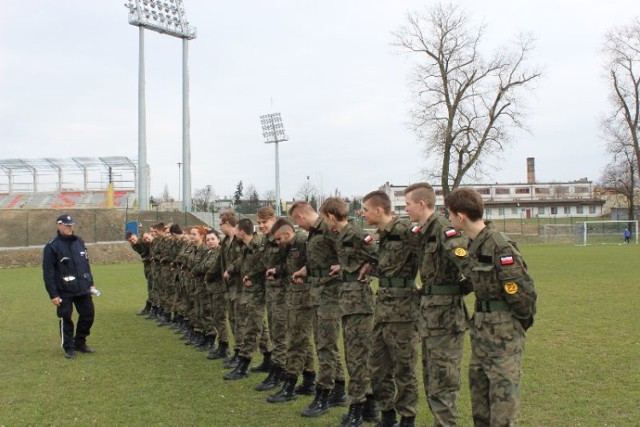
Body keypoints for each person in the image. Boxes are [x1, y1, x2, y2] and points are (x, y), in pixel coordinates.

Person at [445, 188, 537, 426]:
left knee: (503, 403)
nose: (449, 219)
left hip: (504, 335)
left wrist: (517, 324)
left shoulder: (499, 246)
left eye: (450, 214)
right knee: (480, 399)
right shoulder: (474, 244)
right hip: (482, 333)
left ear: (461, 215)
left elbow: (523, 293)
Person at [404, 183, 470, 426]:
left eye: (408, 204)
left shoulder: (444, 230)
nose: (406, 208)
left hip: (446, 320)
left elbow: (474, 270)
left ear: (422, 204)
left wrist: (452, 291)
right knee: (432, 382)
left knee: (443, 383)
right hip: (431, 319)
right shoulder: (424, 232)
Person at [363, 191, 420, 427]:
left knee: (404, 367)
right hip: (383, 309)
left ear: (378, 210)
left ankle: (407, 418)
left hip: (403, 312)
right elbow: (388, 270)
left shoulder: (406, 232)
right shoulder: (382, 236)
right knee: (377, 367)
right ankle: (387, 416)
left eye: (365, 209)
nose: (363, 213)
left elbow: (428, 258)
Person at [320, 197, 379, 427]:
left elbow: (378, 253)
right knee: (356, 356)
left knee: (357, 358)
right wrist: (343, 267)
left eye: (324, 218)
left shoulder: (354, 234)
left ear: (331, 217)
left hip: (359, 304)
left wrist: (368, 266)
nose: (324, 223)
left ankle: (357, 409)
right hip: (348, 301)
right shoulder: (343, 235)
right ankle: (370, 406)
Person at [290, 201, 347, 418]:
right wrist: (305, 270)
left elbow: (350, 253)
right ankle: (339, 388)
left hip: (331, 295)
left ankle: (323, 394)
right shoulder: (315, 233)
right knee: (325, 343)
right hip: (319, 294)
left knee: (325, 345)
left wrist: (342, 266)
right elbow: (321, 259)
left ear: (301, 217)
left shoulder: (329, 229)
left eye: (297, 221)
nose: (299, 225)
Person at [266, 218, 317, 403]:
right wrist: (276, 271)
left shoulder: (303, 241)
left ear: (287, 234)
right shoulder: (288, 246)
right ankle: (310, 379)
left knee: (296, 340)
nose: (278, 243)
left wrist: (305, 275)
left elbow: (315, 264)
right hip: (293, 295)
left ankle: (290, 384)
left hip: (304, 297)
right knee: (301, 339)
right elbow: (289, 267)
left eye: (279, 239)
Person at [43, 214, 97, 359]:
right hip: (63, 290)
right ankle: (69, 347)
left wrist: (90, 283)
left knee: (88, 315)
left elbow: (86, 264)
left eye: (71, 225)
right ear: (58, 225)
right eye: (67, 225)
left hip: (82, 287)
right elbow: (48, 272)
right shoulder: (52, 246)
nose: (70, 228)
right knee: (65, 318)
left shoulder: (79, 241)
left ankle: (80, 342)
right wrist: (53, 294)